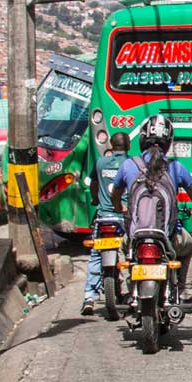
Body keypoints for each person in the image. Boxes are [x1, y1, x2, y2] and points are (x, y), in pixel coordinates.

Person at [104, 115, 192, 303]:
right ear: (168, 143)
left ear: (143, 140)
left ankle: (130, 291)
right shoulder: (176, 167)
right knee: (190, 248)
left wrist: (120, 208)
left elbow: (115, 194)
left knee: (123, 250)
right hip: (167, 237)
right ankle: (185, 292)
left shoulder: (129, 165)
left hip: (136, 237)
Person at [80, 130, 130, 316]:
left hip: (103, 217)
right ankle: (129, 292)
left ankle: (89, 297)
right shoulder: (131, 164)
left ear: (111, 145)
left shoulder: (100, 163)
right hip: (122, 218)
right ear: (128, 146)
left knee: (95, 255)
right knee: (129, 252)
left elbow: (93, 185)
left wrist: (95, 199)